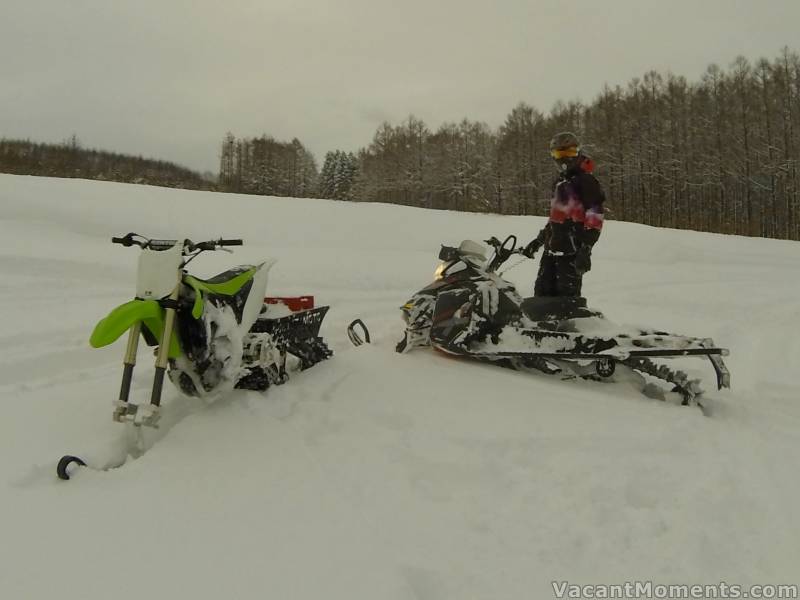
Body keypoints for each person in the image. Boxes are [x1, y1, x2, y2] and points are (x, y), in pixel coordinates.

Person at [522, 132, 605, 298]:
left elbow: (595, 217)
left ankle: (572, 324)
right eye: (559, 154)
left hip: (572, 253)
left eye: (569, 153)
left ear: (578, 153)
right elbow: (557, 218)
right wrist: (539, 240)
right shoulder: (560, 182)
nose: (564, 159)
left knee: (566, 300)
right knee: (541, 296)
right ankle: (544, 325)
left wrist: (586, 249)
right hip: (552, 250)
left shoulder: (586, 181)